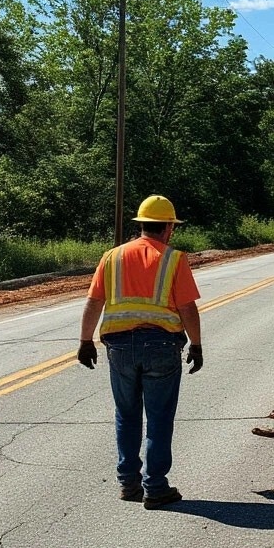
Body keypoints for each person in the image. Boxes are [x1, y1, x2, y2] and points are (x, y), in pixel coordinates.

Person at [77, 195, 203, 509]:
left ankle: (129, 483)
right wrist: (197, 345)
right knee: (159, 417)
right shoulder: (174, 259)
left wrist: (84, 341)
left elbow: (94, 302)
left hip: (119, 347)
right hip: (161, 345)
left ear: (141, 224)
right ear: (169, 227)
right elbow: (187, 307)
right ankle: (156, 487)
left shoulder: (112, 257)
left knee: (127, 415)